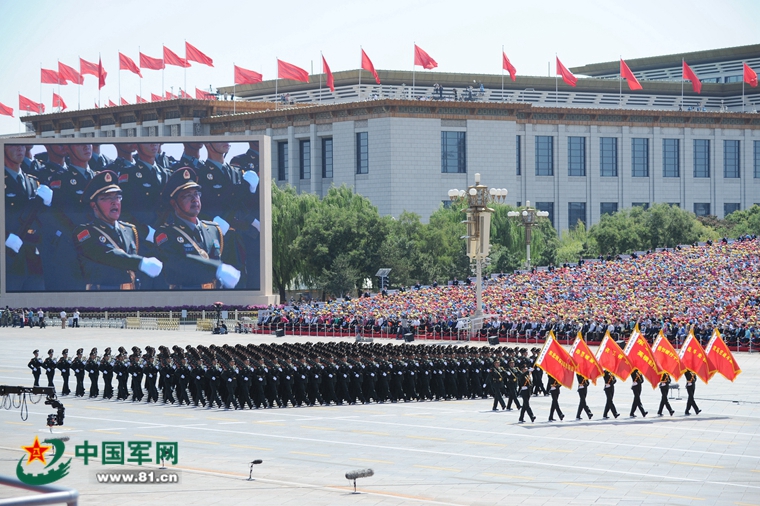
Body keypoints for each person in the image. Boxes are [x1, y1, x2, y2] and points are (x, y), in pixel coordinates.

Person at [73, 170, 163, 290]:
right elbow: (108, 255)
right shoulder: (86, 233)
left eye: (117, 197)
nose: (114, 202)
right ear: (94, 205)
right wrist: (141, 262)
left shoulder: (130, 230)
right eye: (107, 198)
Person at [154, 167, 241, 290]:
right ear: (174, 203)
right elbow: (180, 262)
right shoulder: (166, 234)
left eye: (196, 194)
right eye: (187, 195)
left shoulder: (213, 229)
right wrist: (216, 269)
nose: (194, 199)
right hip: (185, 294)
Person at [198, 141, 260, 289]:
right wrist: (212, 221)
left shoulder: (237, 172)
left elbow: (243, 205)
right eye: (220, 140)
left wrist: (252, 192)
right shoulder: (201, 171)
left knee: (242, 281)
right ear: (208, 144)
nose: (226, 142)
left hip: (238, 238)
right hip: (214, 237)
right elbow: (197, 205)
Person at [4, 144, 49, 291]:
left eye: (22, 146)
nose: (20, 149)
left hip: (33, 260)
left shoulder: (33, 182)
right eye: (14, 145)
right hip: (8, 260)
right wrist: (4, 237)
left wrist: (50, 205)